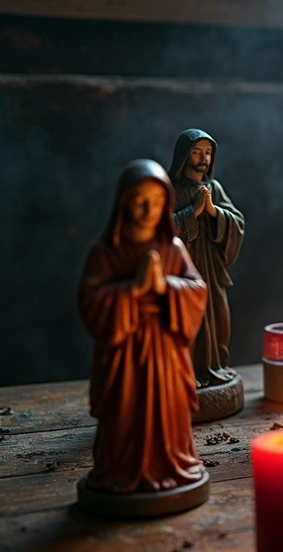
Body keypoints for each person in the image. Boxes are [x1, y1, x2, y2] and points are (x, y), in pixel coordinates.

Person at [78, 159, 208, 494]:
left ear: (166, 202)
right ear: (123, 203)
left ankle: (170, 461)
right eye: (139, 200)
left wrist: (165, 286)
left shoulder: (172, 248)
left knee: (167, 408)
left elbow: (197, 290)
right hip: (124, 352)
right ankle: (120, 469)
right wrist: (133, 289)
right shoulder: (106, 251)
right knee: (125, 410)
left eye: (157, 200)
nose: (149, 209)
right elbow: (90, 300)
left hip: (165, 350)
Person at [168, 129, 245, 389]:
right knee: (189, 320)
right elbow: (161, 231)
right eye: (197, 152)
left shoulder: (214, 188)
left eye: (208, 153)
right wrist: (193, 212)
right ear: (183, 155)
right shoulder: (170, 190)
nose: (204, 158)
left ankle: (215, 366)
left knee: (219, 317)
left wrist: (212, 211)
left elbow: (238, 222)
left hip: (211, 268)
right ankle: (187, 372)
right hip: (184, 269)